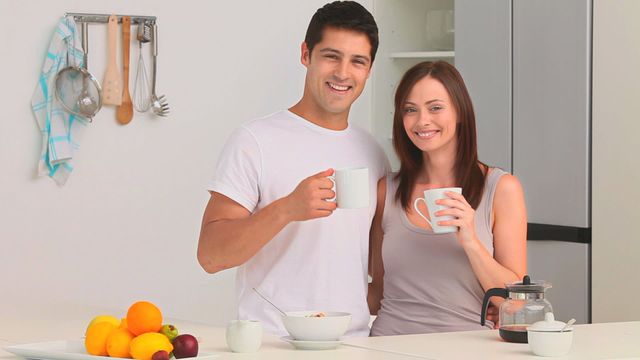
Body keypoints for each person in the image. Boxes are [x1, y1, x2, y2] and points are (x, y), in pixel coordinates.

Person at [197, 1, 389, 337]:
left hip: (355, 345)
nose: (343, 73)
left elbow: (379, 261)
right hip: (273, 344)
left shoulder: (373, 153)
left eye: (357, 61)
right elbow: (211, 256)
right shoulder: (254, 141)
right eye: (331, 56)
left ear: (369, 70)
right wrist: (286, 209)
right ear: (306, 55)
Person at [367, 61, 527, 335]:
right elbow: (378, 290)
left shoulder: (501, 189)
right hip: (388, 344)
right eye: (410, 110)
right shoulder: (386, 190)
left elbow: (514, 304)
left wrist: (470, 241)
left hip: (468, 346)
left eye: (435, 107)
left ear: (460, 112)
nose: (422, 121)